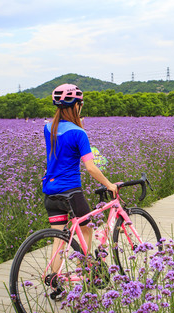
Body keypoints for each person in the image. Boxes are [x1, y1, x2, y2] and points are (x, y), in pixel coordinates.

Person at [43, 83, 117, 275]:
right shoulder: (79, 133)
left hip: (51, 191)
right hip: (71, 190)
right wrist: (109, 184)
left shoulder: (48, 127)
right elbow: (91, 167)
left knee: (59, 239)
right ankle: (82, 273)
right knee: (87, 229)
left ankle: (54, 279)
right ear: (76, 105)